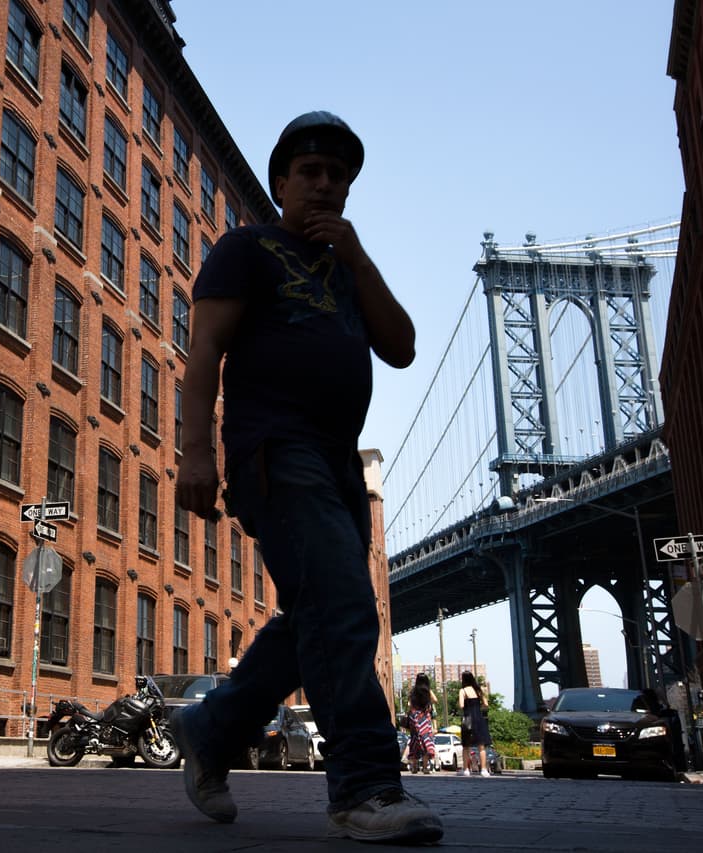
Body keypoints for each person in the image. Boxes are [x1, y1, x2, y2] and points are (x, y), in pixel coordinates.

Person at [174, 110, 442, 844]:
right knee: (347, 606)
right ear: (281, 181)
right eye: (311, 173)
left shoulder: (346, 265)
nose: (325, 185)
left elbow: (405, 346)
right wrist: (194, 453)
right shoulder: (247, 248)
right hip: (273, 451)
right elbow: (204, 355)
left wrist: (356, 259)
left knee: (317, 617)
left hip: (336, 464)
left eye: (339, 176)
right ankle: (365, 785)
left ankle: (212, 730)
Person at [457, 670, 492, 776]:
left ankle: (466, 770)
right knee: (481, 746)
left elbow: (462, 705)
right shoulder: (478, 690)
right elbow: (486, 704)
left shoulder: (463, 691)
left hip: (468, 719)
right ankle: (484, 770)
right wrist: (477, 707)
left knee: (466, 746)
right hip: (479, 718)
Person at [406, 673, 438, 774]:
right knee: (425, 742)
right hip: (424, 718)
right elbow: (435, 700)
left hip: (415, 719)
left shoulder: (413, 692)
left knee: (415, 742)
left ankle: (414, 767)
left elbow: (409, 704)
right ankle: (425, 767)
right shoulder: (427, 691)